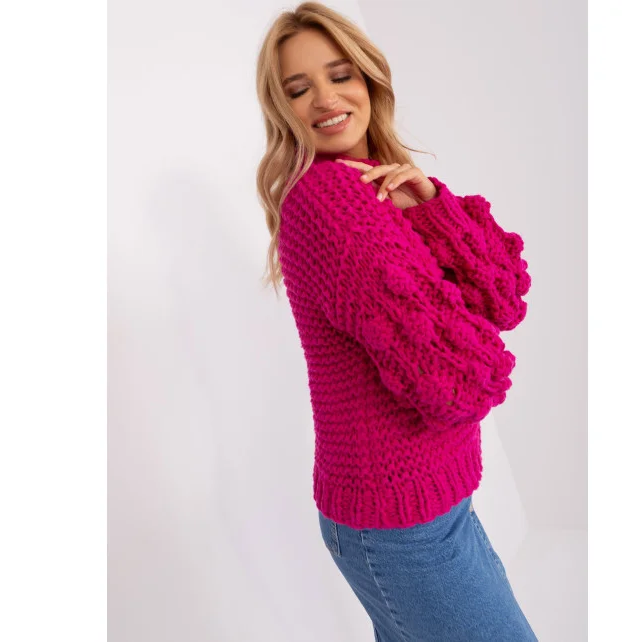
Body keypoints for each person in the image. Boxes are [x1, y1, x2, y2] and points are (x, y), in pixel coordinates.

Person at [255, 3, 536, 640]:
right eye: (298, 89)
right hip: (402, 526)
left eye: (340, 75)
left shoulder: (380, 188)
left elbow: (504, 297)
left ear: (369, 77)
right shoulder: (331, 202)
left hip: (425, 506)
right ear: (282, 108)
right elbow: (463, 378)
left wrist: (431, 206)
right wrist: (457, 313)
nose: (326, 99)